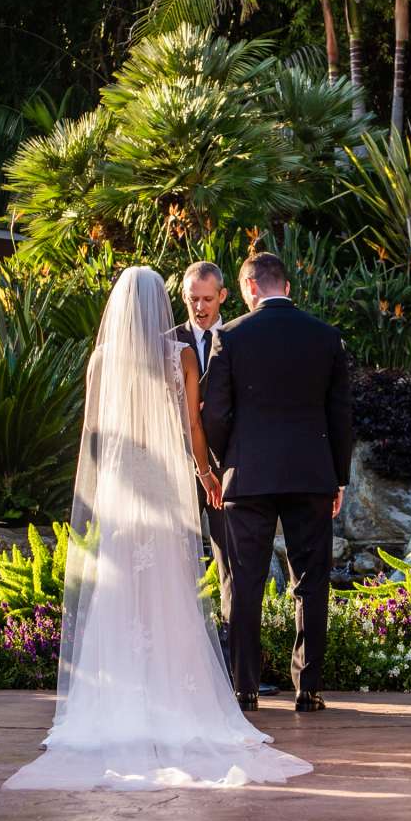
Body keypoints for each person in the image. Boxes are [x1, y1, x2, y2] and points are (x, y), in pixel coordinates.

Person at [7, 268, 311, 790]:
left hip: (122, 487)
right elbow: (194, 425)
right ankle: (175, 698)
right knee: (169, 591)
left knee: (121, 592)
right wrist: (206, 473)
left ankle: (118, 697)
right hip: (165, 487)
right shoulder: (181, 357)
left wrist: (102, 487)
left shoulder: (102, 360)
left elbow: (95, 430)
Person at [200, 250, 356, 712]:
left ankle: (244, 686)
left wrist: (227, 459)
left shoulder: (229, 336)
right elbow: (340, 414)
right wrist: (339, 476)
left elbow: (215, 413)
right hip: (311, 474)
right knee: (311, 581)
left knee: (245, 581)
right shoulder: (326, 337)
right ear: (286, 288)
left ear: (249, 288)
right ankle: (308, 688)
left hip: (247, 474)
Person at [168, 261, 237, 666]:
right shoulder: (166, 343)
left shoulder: (240, 338)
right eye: (193, 299)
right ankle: (185, 664)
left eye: (207, 299)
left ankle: (234, 665)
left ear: (223, 296)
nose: (200, 307)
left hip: (227, 469)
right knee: (175, 565)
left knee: (232, 565)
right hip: (176, 470)